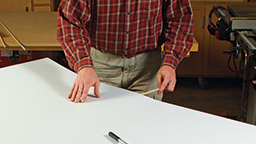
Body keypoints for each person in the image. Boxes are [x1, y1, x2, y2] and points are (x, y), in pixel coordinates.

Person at [57, 0, 193, 103]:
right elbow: (70, 20)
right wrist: (83, 65)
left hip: (148, 68)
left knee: (145, 128)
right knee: (98, 126)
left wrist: (170, 62)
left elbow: (180, 18)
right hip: (100, 67)